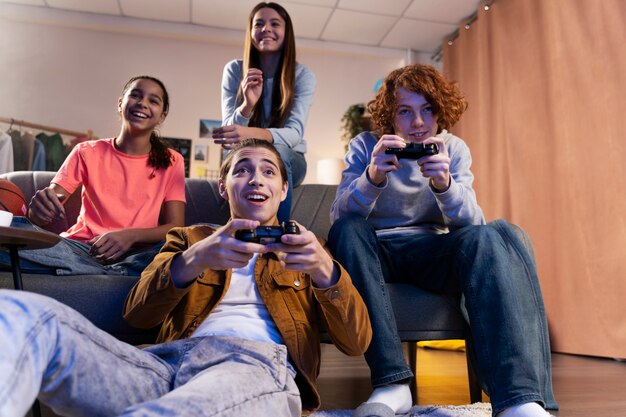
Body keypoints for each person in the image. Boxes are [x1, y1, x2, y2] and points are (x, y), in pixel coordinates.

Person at [0, 139, 371, 416]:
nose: (255, 179)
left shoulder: (310, 248)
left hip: (257, 366)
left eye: (268, 171)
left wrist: (325, 270)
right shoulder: (189, 238)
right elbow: (137, 315)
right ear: (224, 187)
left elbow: (356, 343)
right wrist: (196, 258)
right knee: (21, 315)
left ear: (283, 190)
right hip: (164, 363)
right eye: (242, 169)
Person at [328, 64, 558, 417]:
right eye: (405, 112)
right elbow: (340, 219)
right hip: (378, 250)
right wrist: (371, 177)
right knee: (347, 231)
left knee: (488, 236)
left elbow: (470, 224)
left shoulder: (453, 148)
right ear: (391, 115)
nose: (418, 123)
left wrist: (445, 185)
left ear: (439, 112)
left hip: (431, 251)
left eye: (427, 110)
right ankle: (392, 383)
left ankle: (517, 401)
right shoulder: (365, 145)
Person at [0, 75, 186, 276]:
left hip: (137, 253)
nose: (142, 103)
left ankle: (92, 270)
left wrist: (130, 236)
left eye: (153, 100)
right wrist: (38, 210)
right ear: (120, 103)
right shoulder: (86, 151)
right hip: (82, 249)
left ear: (162, 115)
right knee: (15, 227)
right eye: (136, 95)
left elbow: (175, 226)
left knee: (191, 243)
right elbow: (40, 215)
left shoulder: (172, 160)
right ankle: (107, 271)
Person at [213, 2, 316, 223]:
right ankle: (238, 229)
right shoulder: (234, 70)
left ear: (286, 33)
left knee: (277, 149)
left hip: (289, 159)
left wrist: (251, 133)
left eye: (274, 24)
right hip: (247, 155)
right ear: (250, 33)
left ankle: (276, 234)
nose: (266, 28)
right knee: (240, 159)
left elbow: (294, 133)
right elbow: (230, 139)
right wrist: (247, 105)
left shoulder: (302, 75)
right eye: (258, 23)